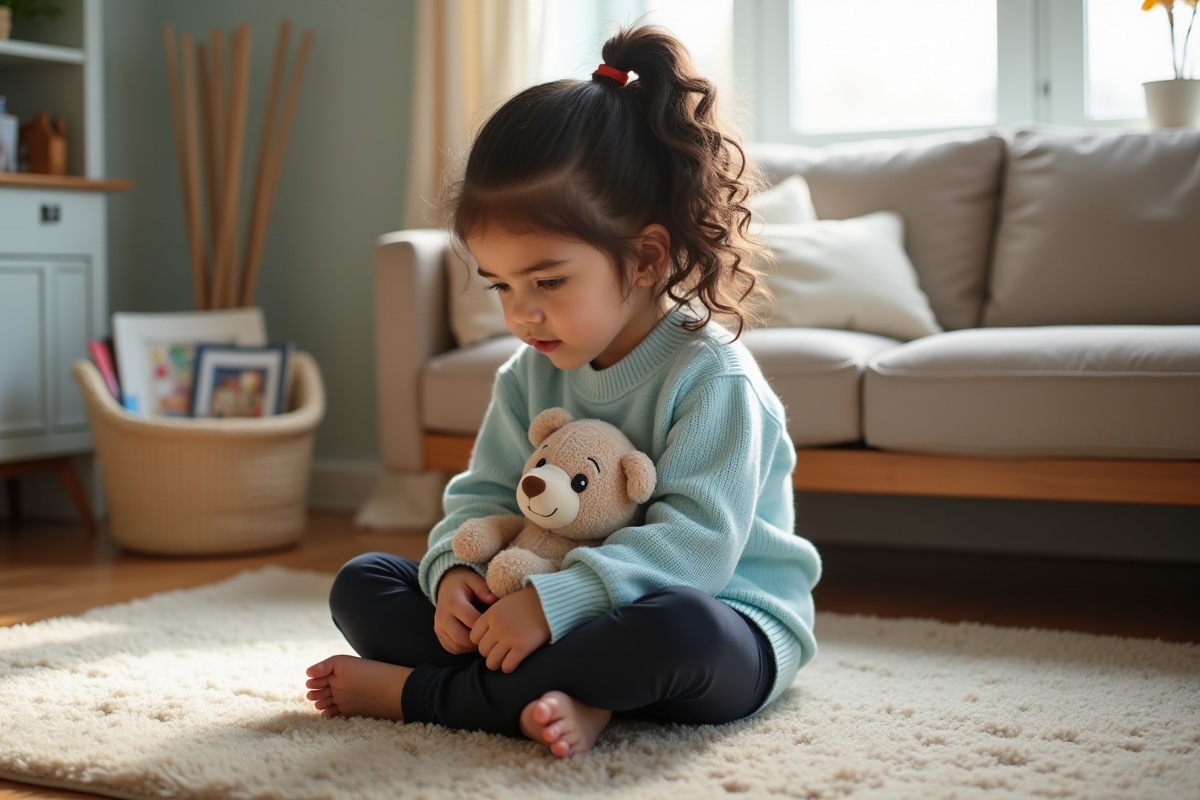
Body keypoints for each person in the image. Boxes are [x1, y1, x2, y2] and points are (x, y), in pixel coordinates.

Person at [305, 24, 821, 759]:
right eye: (502, 286)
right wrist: (455, 573)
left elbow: (697, 548)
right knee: (365, 584)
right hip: (548, 609)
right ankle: (574, 696)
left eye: (547, 282)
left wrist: (555, 604)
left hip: (719, 621)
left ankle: (419, 695)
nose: (521, 314)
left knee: (679, 628)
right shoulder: (528, 374)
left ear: (644, 258)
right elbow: (481, 498)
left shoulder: (714, 378)